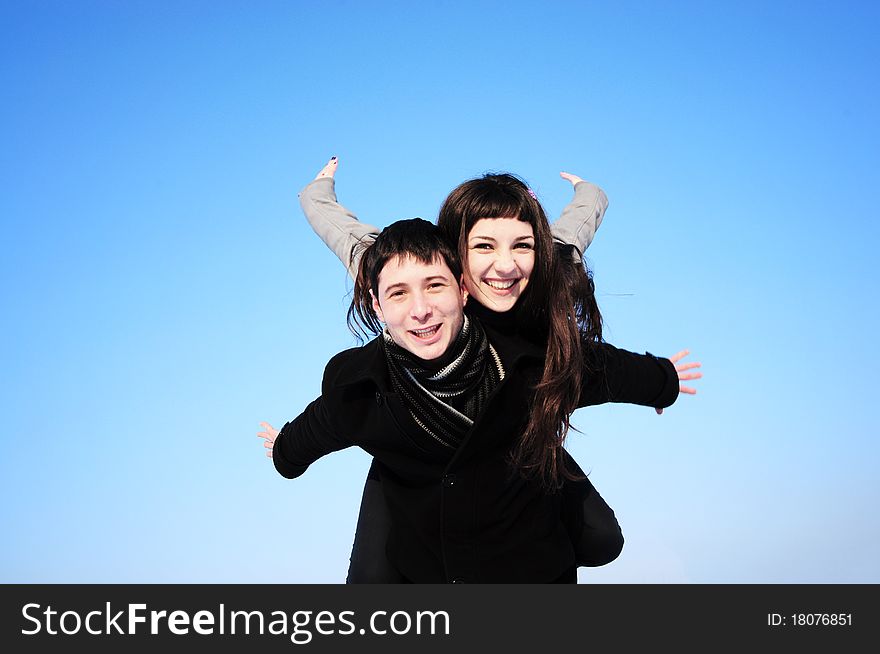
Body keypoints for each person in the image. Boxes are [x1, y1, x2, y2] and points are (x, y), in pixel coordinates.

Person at [259, 218, 699, 583]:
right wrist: (282, 449)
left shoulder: (524, 358)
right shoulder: (359, 393)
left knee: (602, 538)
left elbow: (601, 368)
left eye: (434, 286)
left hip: (530, 543)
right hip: (430, 553)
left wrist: (663, 382)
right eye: (398, 293)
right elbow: (308, 436)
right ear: (376, 305)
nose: (420, 310)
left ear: (463, 291)